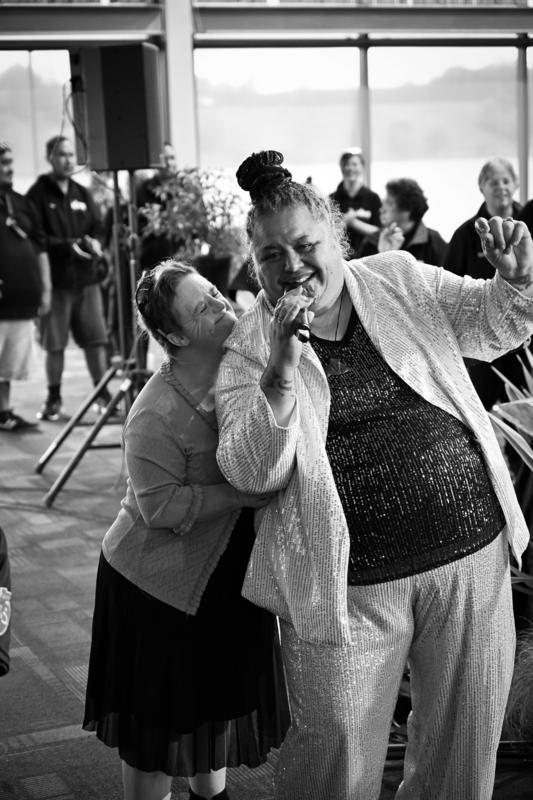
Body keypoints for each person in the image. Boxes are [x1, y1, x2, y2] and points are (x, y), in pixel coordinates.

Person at [215, 149, 533, 800]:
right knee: (332, 760)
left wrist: (517, 283)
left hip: (469, 555)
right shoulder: (248, 346)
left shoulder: (397, 277)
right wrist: (277, 373)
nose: (292, 265)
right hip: (347, 588)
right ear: (254, 262)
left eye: (304, 245)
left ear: (336, 237)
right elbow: (250, 471)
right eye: (271, 255)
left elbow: (491, 323)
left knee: (463, 747)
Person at [83, 260, 289, 800]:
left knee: (212, 714)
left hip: (222, 578)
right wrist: (242, 494)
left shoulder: (237, 364)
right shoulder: (153, 413)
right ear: (174, 335)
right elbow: (159, 509)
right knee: (158, 732)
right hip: (155, 587)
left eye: (217, 294)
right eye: (204, 307)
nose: (223, 305)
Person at [26, 135, 111, 421]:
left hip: (87, 282)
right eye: (61, 154)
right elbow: (35, 239)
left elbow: (99, 226)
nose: (68, 160)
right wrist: (68, 245)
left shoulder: (82, 192)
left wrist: (96, 242)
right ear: (50, 157)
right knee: (56, 344)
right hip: (57, 283)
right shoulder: (37, 194)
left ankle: (102, 395)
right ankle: (53, 398)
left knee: (95, 341)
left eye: (71, 154)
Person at [446, 157, 524, 409]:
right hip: (481, 347)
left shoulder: (529, 226)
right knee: (480, 414)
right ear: (482, 187)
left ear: (516, 184)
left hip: (525, 344)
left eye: (506, 180)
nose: (501, 186)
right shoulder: (465, 235)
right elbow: (450, 287)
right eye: (493, 182)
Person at [0, 142, 51, 431]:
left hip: (20, 302)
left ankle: (4, 412)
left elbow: (40, 247)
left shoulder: (21, 203)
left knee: (8, 365)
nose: (10, 168)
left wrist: (45, 290)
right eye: (3, 162)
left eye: (10, 161)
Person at [358, 177, 448, 265]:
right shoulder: (373, 240)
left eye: (389, 203)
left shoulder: (433, 242)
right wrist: (383, 257)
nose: (381, 209)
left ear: (407, 210)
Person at [329, 147, 381, 258]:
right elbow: (327, 232)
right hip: (340, 259)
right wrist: (345, 221)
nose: (350, 168)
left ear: (362, 167)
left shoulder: (373, 198)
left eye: (354, 164)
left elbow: (379, 232)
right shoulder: (331, 198)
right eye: (346, 164)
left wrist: (353, 222)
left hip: (368, 258)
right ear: (341, 168)